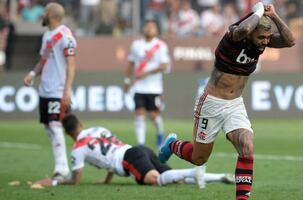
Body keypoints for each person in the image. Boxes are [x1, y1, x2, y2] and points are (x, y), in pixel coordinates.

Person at [159, 2, 295, 200]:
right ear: (251, 33)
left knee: (247, 146)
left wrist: (274, 16)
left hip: (235, 104)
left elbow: (290, 40)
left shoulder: (261, 40)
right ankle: (172, 144)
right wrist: (257, 10)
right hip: (212, 102)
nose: (265, 42)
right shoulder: (234, 36)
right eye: (262, 37)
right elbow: (245, 28)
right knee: (199, 158)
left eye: (267, 37)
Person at [32, 114, 235, 187]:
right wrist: (106, 180)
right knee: (174, 180)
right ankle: (221, 177)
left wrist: (57, 182)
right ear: (81, 124)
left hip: (128, 160)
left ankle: (194, 171)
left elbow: (75, 180)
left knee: (155, 181)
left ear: (68, 134)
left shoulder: (77, 149)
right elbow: (110, 149)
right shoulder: (97, 129)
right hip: (137, 150)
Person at [23, 3, 77, 181]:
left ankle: (62, 169)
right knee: (48, 127)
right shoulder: (47, 35)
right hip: (44, 90)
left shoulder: (66, 36)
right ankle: (62, 168)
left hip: (57, 90)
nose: (42, 16)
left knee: (56, 126)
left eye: (44, 13)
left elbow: (71, 64)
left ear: (50, 15)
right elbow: (43, 60)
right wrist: (33, 73)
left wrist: (67, 89)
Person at [124, 20, 170, 149]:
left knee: (153, 115)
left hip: (154, 88)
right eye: (147, 26)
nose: (149, 29)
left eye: (152, 27)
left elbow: (164, 66)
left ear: (156, 30)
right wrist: (127, 80)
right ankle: (141, 144)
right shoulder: (136, 45)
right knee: (139, 113)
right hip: (139, 87)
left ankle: (160, 134)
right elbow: (131, 63)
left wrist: (146, 72)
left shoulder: (160, 46)